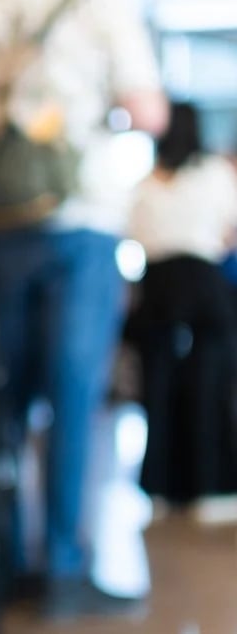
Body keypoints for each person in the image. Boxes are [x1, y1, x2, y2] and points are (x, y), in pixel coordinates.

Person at [0, 0, 168, 623]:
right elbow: (149, 111)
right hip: (78, 219)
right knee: (74, 399)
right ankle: (65, 568)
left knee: (7, 398)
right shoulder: (97, 1)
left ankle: (5, 560)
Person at [126, 102, 237, 517]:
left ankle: (160, 487)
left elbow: (134, 234)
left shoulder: (145, 183)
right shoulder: (215, 174)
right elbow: (230, 230)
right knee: (210, 388)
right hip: (205, 287)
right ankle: (211, 485)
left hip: (157, 290)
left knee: (158, 390)